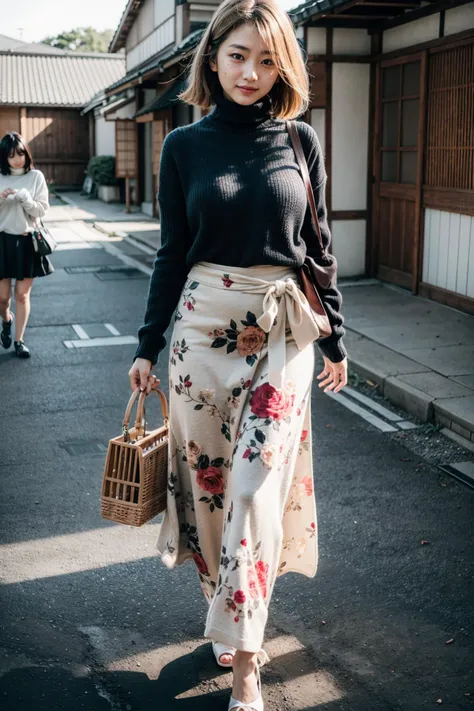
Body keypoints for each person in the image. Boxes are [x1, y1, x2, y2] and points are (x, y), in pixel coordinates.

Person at [128, 1, 347, 708]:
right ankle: (226, 605)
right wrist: (146, 343)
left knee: (255, 488)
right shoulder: (182, 147)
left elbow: (319, 247)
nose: (250, 72)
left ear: (282, 65)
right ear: (212, 59)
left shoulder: (300, 141)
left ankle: (247, 663)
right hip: (198, 331)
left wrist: (336, 336)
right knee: (213, 488)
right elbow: (169, 254)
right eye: (236, 56)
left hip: (281, 330)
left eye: (265, 59)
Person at [0, 131, 52, 358]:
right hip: (2, 240)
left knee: (22, 295)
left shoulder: (35, 177)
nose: (17, 159)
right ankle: (6, 320)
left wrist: (25, 199)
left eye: (20, 153)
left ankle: (19, 341)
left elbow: (42, 210)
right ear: (4, 157)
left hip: (27, 240)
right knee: (2, 298)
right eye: (11, 155)